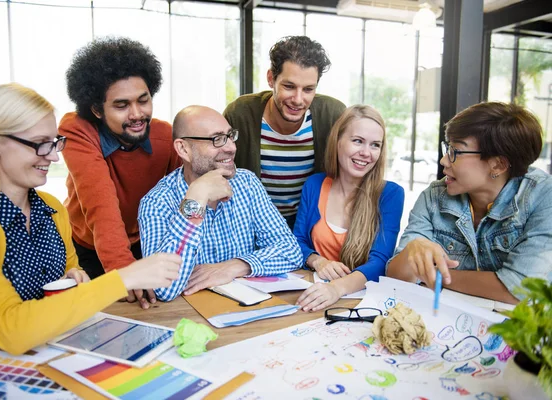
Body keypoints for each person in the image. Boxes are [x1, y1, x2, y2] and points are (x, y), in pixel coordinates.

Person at [0, 83, 181, 354]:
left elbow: (72, 271)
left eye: (54, 142)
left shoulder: (52, 209)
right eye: (39, 144)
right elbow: (10, 328)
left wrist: (77, 277)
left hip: (46, 353)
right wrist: (124, 278)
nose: (53, 155)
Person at [387, 102, 552, 303]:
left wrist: (435, 275)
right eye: (447, 148)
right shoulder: (433, 197)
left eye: (455, 151)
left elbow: (519, 288)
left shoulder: (543, 196)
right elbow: (396, 276)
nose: (444, 161)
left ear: (498, 165)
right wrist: (412, 250)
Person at [60, 37, 180, 309]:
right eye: (121, 105)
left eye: (143, 100)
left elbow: (179, 200)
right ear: (96, 110)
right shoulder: (77, 130)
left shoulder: (167, 136)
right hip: (89, 247)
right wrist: (123, 271)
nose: (137, 114)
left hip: (144, 243)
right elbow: (101, 206)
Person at [138, 105, 303, 301]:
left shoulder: (247, 183)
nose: (231, 147)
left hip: (249, 314)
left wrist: (234, 266)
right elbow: (162, 288)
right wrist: (196, 198)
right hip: (189, 320)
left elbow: (291, 251)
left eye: (230, 136)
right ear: (183, 149)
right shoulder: (156, 203)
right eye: (217, 139)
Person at [223, 36, 346, 227]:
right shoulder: (240, 113)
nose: (298, 99)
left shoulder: (333, 115)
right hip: (252, 221)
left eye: (308, 89)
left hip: (308, 223)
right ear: (271, 79)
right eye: (289, 86)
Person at [293, 105, 404, 312]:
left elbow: (381, 262)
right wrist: (318, 261)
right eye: (358, 141)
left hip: (359, 303)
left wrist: (336, 289)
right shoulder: (315, 185)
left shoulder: (390, 194)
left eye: (375, 145)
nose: (366, 153)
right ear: (338, 142)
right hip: (314, 295)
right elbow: (296, 241)